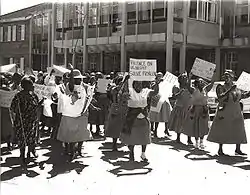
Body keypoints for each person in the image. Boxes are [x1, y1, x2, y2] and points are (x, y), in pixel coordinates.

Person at [207, 70, 250, 156]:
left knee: (238, 129)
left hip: (236, 110)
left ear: (232, 77)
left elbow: (242, 96)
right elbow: (220, 97)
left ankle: (238, 149)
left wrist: (249, 93)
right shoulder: (220, 87)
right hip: (225, 110)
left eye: (228, 76)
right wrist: (229, 90)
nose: (226, 78)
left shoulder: (237, 87)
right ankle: (220, 149)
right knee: (223, 129)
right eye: (225, 76)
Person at [57, 67, 96, 161]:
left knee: (81, 132)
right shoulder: (68, 86)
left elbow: (87, 99)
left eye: (80, 79)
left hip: (82, 113)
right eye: (77, 79)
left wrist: (91, 106)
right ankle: (69, 150)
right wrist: (71, 72)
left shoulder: (85, 87)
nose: (79, 80)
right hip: (69, 114)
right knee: (69, 133)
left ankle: (78, 150)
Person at [120, 75, 161, 162]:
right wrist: (126, 81)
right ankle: (131, 153)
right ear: (133, 85)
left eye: (140, 84)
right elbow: (124, 94)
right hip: (132, 117)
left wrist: (157, 83)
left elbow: (155, 92)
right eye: (137, 84)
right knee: (132, 137)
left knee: (145, 137)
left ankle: (143, 154)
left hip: (143, 117)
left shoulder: (145, 91)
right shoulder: (130, 92)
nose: (139, 86)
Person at [10, 77, 44, 164]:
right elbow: (13, 108)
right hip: (22, 121)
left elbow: (36, 106)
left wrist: (42, 101)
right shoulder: (18, 96)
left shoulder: (33, 95)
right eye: (31, 84)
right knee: (22, 139)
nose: (33, 85)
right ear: (25, 86)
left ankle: (29, 154)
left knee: (30, 139)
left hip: (31, 121)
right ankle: (22, 156)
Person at [183, 75, 215, 149]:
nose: (202, 83)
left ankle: (201, 142)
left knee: (203, 126)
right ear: (197, 83)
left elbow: (212, 83)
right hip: (195, 109)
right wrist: (190, 77)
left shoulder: (205, 90)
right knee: (196, 126)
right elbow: (188, 85)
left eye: (202, 82)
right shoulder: (193, 90)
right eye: (200, 81)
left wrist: (212, 74)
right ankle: (196, 142)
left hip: (204, 110)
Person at [168, 72, 193, 144]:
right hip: (180, 107)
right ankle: (178, 137)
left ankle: (189, 139)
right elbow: (174, 97)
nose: (185, 79)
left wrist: (190, 77)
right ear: (180, 80)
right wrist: (180, 92)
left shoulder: (189, 87)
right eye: (183, 77)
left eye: (186, 77)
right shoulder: (176, 87)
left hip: (188, 107)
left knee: (188, 123)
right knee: (179, 123)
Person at [105, 75, 127, 151]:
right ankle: (114, 144)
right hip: (116, 109)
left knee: (124, 127)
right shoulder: (114, 89)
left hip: (124, 110)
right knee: (115, 127)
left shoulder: (126, 89)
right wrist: (124, 82)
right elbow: (117, 92)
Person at [149, 72, 172, 138]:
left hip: (164, 100)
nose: (160, 77)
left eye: (161, 76)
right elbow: (154, 89)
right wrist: (158, 83)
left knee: (167, 115)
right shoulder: (154, 83)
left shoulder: (165, 83)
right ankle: (155, 130)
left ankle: (166, 130)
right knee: (156, 117)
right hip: (156, 101)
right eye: (158, 76)